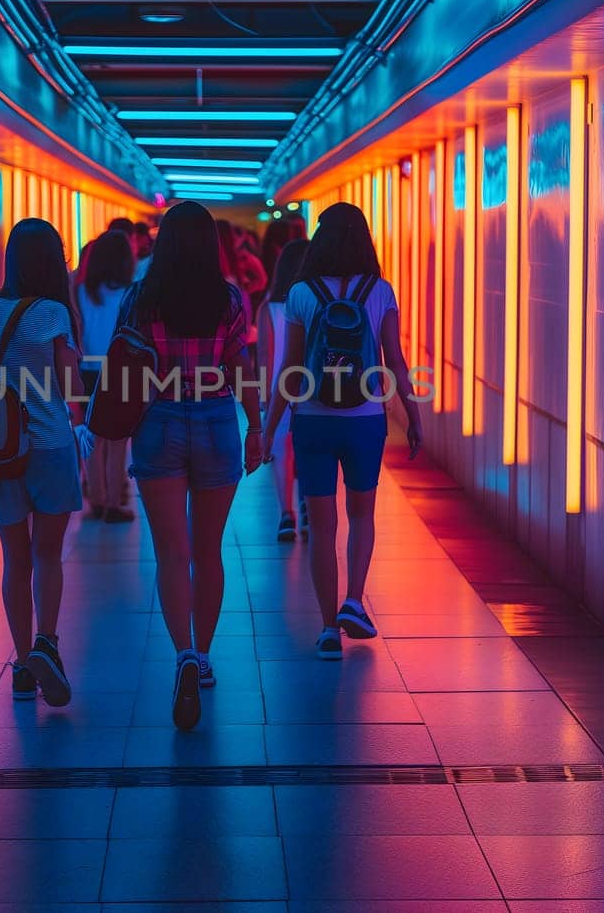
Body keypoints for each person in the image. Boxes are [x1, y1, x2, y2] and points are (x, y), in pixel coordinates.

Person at [122, 202, 263, 730]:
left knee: (170, 554)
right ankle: (202, 656)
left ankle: (181, 653)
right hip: (214, 417)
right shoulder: (230, 299)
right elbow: (240, 366)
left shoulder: (141, 297)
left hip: (156, 418)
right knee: (208, 551)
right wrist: (257, 426)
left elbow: (125, 356)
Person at [263, 202, 423, 661]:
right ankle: (354, 599)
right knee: (362, 515)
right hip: (365, 420)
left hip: (312, 420)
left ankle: (329, 627)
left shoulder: (300, 293)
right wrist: (413, 417)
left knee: (322, 523)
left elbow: (290, 370)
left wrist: (269, 429)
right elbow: (395, 360)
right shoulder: (380, 291)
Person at [0, 219, 89, 707]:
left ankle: (20, 664)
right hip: (50, 443)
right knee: (48, 553)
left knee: (15, 557)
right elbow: (71, 387)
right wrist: (84, 429)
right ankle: (46, 646)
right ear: (54, 261)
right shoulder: (53, 312)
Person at [75, 230, 136, 522]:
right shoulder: (130, 292)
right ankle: (114, 501)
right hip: (119, 371)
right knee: (117, 440)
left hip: (85, 371)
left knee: (92, 438)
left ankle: (96, 499)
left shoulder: (80, 292)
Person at [257, 238, 309, 542]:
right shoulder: (316, 301)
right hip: (313, 390)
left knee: (282, 451)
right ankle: (307, 505)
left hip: (280, 389)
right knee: (308, 450)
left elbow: (265, 354)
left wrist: (266, 399)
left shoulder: (270, 307)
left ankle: (286, 513)